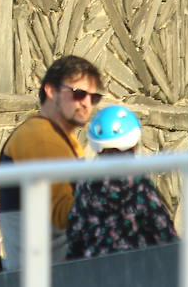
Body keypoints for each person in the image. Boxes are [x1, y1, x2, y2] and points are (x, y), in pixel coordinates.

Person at [0, 55, 103, 270]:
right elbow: (64, 214)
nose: (87, 103)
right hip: (51, 277)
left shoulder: (63, 139)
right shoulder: (40, 137)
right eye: (79, 94)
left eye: (95, 97)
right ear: (51, 91)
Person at [66, 105, 176, 259]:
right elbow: (165, 235)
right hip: (134, 271)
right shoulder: (139, 187)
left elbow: (74, 238)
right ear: (134, 145)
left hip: (92, 272)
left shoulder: (86, 188)